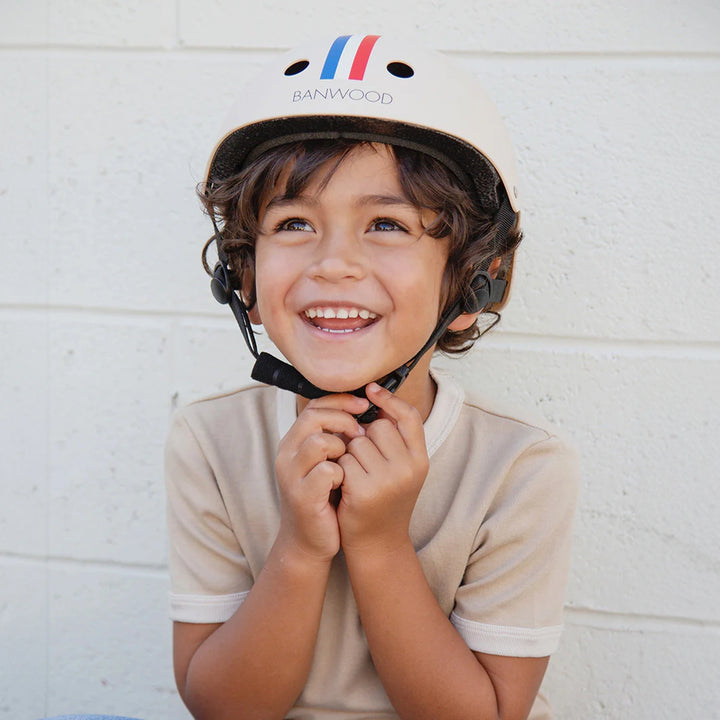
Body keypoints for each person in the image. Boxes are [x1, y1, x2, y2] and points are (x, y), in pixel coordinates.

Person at [165, 34, 578, 720]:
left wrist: (381, 543)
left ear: (474, 284)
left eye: (386, 224)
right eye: (294, 221)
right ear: (244, 279)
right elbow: (222, 707)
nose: (334, 264)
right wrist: (298, 550)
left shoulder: (523, 469)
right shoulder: (210, 440)